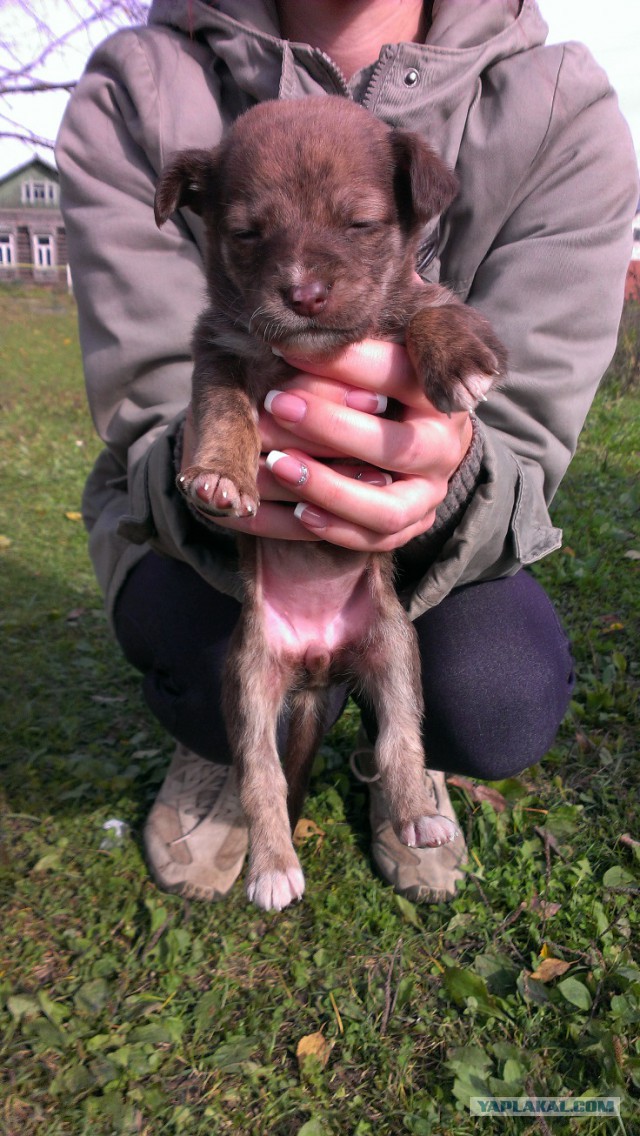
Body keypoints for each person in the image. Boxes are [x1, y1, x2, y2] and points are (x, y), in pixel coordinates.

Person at [55, 0, 638, 905]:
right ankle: (238, 762)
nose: (298, 275)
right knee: (199, 648)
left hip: (402, 564)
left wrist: (445, 472)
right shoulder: (136, 84)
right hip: (238, 558)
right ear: (212, 218)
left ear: (409, 212)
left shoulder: (559, 102)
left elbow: (517, 419)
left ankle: (401, 769)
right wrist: (210, 467)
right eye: (251, 236)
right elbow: (158, 388)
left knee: (493, 689)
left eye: (359, 225)